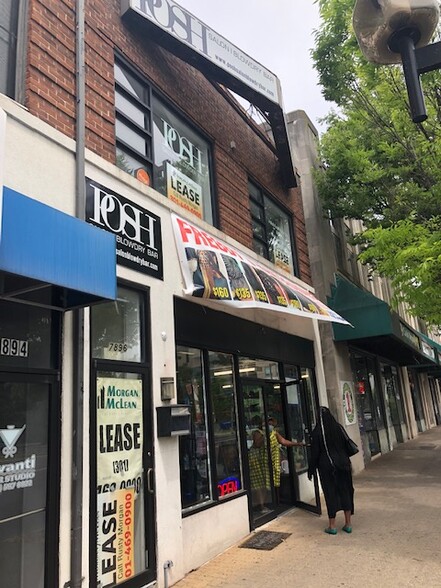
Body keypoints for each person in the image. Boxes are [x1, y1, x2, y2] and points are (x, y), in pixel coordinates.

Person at [307, 406, 355, 535]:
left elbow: (314, 453)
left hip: (326, 467)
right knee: (346, 491)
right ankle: (348, 523)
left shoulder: (317, 432)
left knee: (330, 494)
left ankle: (332, 526)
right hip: (343, 464)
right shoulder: (338, 428)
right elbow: (347, 444)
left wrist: (311, 469)